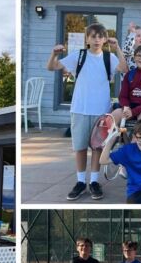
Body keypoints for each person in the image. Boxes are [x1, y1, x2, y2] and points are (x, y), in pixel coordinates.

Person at [46, 23, 127, 201]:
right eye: (93, 36)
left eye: (100, 36)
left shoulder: (109, 57)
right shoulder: (79, 56)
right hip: (80, 109)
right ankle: (81, 182)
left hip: (101, 110)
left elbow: (124, 68)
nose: (96, 39)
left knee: (97, 147)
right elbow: (52, 67)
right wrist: (54, 53)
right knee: (80, 147)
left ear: (105, 39)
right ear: (87, 39)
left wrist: (117, 48)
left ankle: (94, 182)